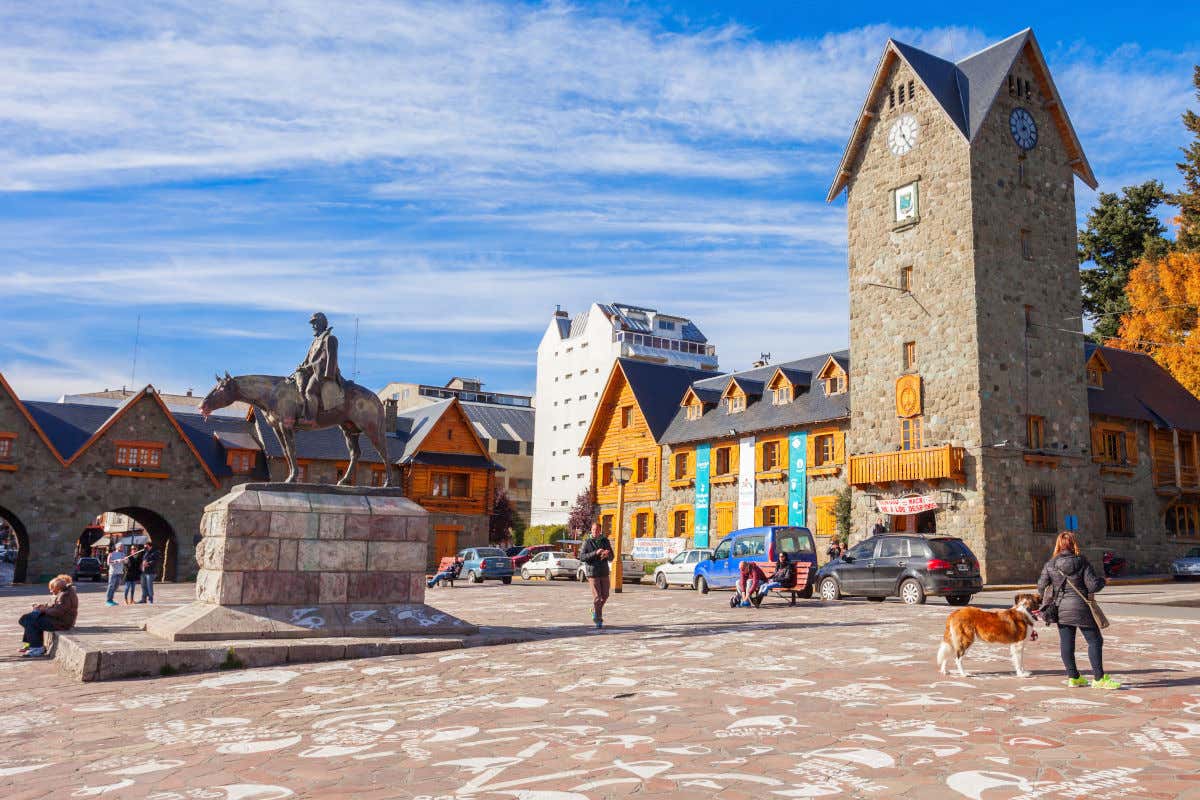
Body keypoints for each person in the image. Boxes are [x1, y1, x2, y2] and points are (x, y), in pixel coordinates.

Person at [1037, 531, 1120, 690]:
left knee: (1067, 644)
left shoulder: (1050, 564)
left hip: (1061, 609)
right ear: (1074, 544)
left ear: (1058, 545)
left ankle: (1073, 677)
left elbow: (1041, 587)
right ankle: (1099, 678)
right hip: (1081, 608)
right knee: (1095, 641)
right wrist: (1103, 581)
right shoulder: (1082, 561)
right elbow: (1093, 585)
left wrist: (1052, 594)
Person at [292, 312, 343, 425]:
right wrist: (301, 368)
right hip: (313, 371)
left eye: (315, 323)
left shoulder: (330, 339)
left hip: (323, 372)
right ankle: (301, 411)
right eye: (312, 324)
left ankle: (311, 419)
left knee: (310, 390)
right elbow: (307, 360)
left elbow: (331, 358)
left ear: (322, 323)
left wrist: (328, 377)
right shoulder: (314, 342)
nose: (313, 326)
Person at [19, 574, 77, 657]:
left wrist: (43, 610)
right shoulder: (63, 593)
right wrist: (42, 607)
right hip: (57, 620)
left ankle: (37, 648)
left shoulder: (65, 595)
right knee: (27, 618)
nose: (50, 591)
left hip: (61, 623)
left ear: (58, 588)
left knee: (30, 621)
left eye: (52, 589)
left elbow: (58, 612)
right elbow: (55, 606)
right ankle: (32, 644)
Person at [578, 522, 614, 628]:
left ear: (600, 531)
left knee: (605, 595)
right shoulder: (587, 541)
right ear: (591, 530)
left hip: (603, 571)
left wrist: (607, 554)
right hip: (592, 572)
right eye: (593, 530)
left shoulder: (605, 541)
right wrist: (595, 553)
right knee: (597, 597)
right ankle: (598, 619)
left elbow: (612, 557)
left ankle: (595, 610)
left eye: (597, 530)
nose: (595, 532)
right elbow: (582, 557)